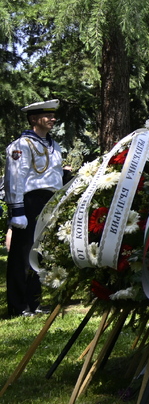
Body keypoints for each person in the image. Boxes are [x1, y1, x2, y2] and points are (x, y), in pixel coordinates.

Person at [4, 100, 64, 318]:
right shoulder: (21, 145)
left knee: (39, 255)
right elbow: (15, 180)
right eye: (47, 115)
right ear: (33, 119)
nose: (53, 119)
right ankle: (17, 306)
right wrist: (17, 210)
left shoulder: (53, 145)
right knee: (22, 256)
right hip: (29, 203)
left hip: (49, 202)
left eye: (53, 115)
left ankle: (33, 302)